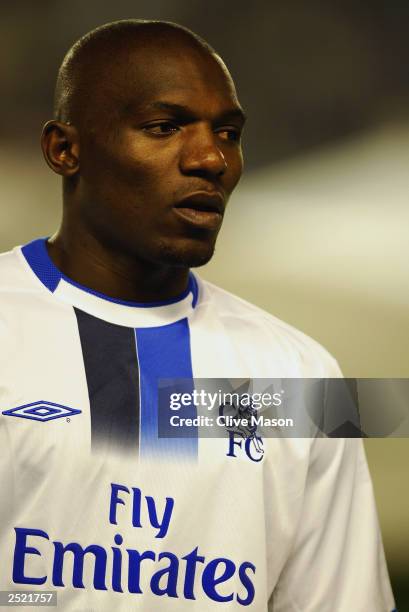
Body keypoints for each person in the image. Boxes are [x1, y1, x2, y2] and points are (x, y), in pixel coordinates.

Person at [0, 19, 396, 611]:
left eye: (229, 133)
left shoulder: (302, 375)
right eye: (164, 127)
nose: (211, 158)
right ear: (65, 149)